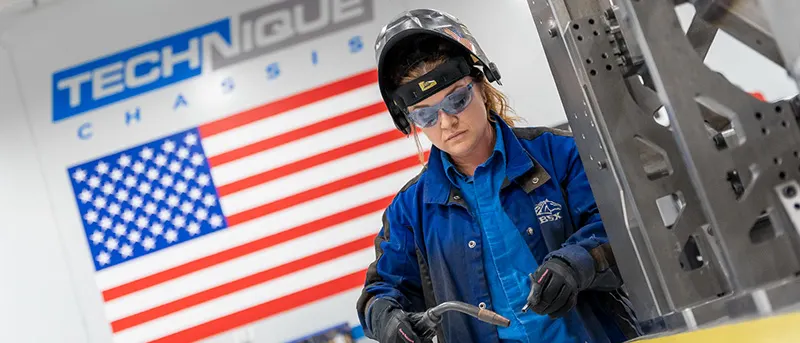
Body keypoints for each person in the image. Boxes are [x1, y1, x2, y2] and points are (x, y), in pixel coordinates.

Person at [356, 8, 641, 343]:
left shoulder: (559, 154)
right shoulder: (410, 211)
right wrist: (389, 320)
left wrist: (575, 263)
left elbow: (617, 225)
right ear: (410, 122)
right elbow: (382, 293)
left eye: (457, 100)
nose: (447, 122)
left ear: (481, 85)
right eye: (427, 115)